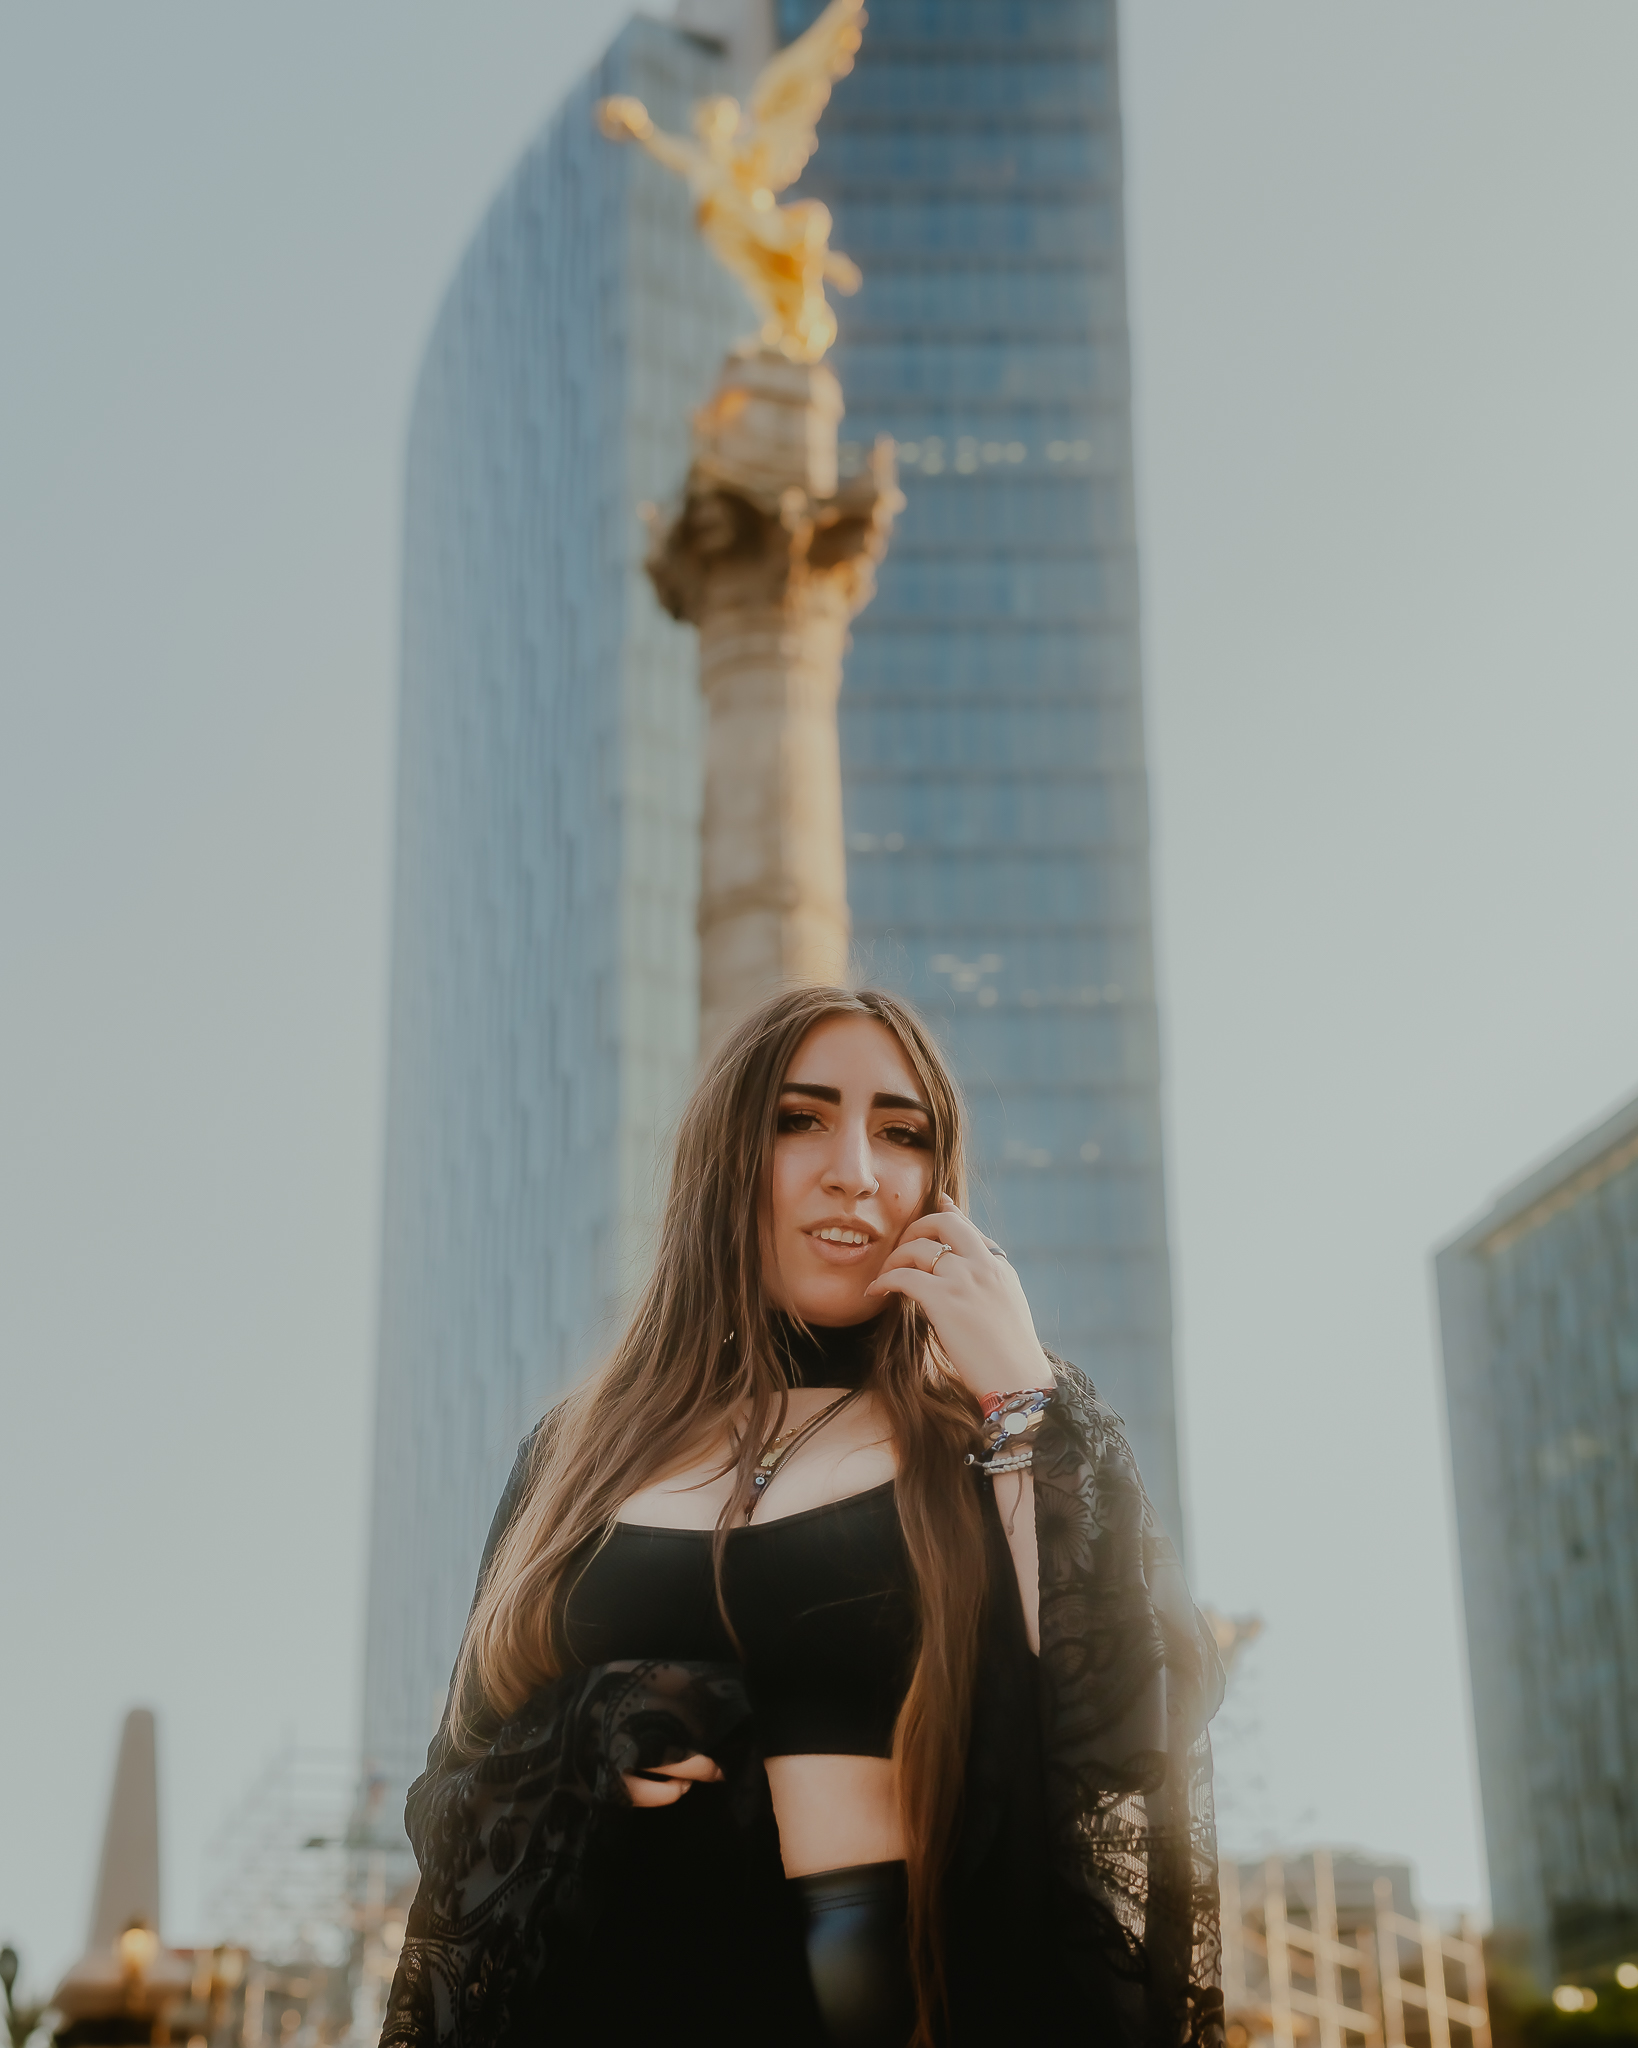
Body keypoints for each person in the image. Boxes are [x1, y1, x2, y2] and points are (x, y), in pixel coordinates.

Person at [381, 985, 1224, 2048]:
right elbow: (449, 1804)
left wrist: (1020, 1393)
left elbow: (1129, 1731)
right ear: (725, 1160)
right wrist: (592, 1728)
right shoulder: (573, 1454)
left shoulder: (1006, 1429)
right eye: (801, 1118)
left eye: (902, 1133)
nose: (856, 1170)